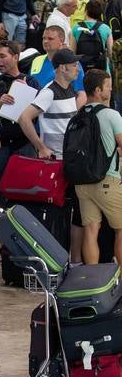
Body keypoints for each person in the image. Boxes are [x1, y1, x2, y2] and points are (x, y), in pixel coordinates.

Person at [72, 69, 122, 265]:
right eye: (108, 87)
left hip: (83, 183)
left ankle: (92, 279)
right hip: (107, 181)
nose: (110, 90)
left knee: (91, 231)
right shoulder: (111, 115)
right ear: (98, 90)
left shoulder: (78, 115)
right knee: (120, 230)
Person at [0, 40, 41, 196]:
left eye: (2, 56)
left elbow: (39, 111)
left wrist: (27, 93)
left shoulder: (31, 81)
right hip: (1, 145)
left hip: (25, 143)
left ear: (15, 57)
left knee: (26, 188)